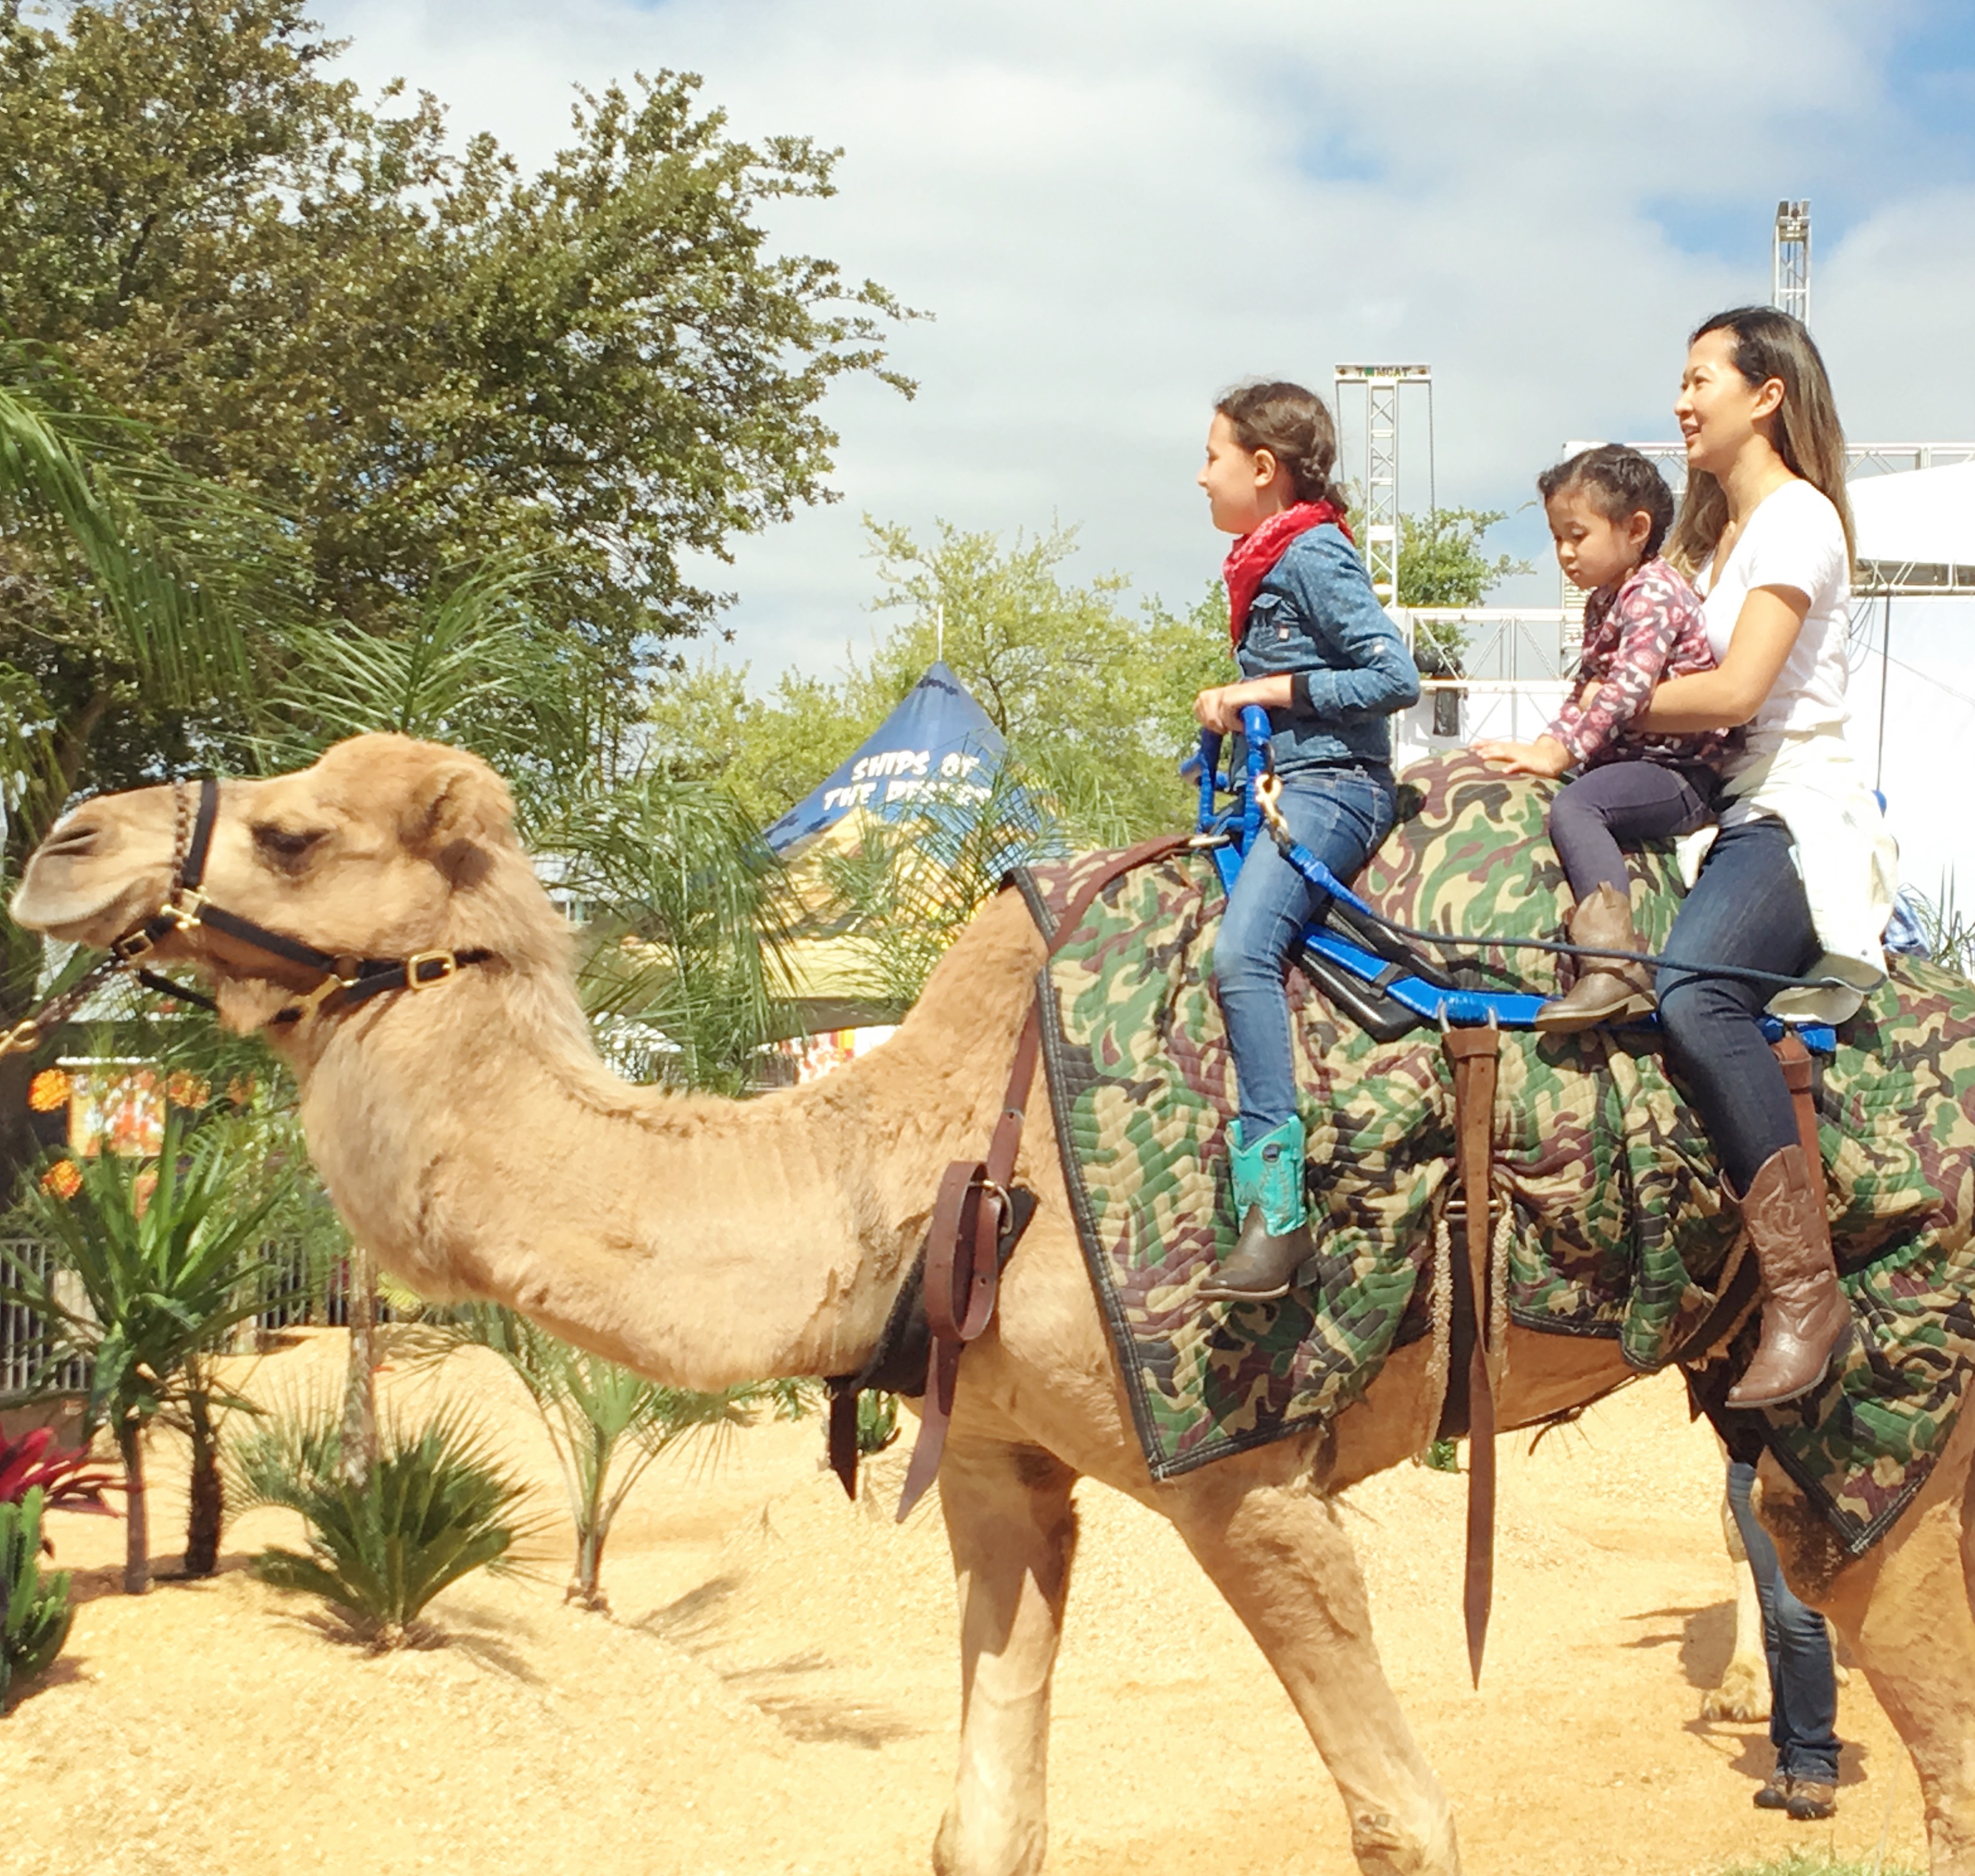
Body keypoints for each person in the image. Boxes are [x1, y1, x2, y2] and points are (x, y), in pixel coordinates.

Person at [1632, 307, 1896, 1409]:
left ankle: (1804, 1289)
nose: (1683, 401)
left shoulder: (1797, 521)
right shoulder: (1711, 544)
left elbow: (1738, 692)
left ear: (1767, 395)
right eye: (1681, 382)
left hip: (1795, 811)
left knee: (1695, 995)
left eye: (1701, 379)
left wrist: (1611, 704)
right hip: (1721, 809)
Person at [1190, 381, 1421, 1303]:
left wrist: (1265, 692)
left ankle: (1277, 1214)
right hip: (1283, 785)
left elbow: (1393, 673)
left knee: (1242, 951)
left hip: (1337, 787)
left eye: (1211, 457)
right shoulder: (1262, 559)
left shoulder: (1314, 551)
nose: (1198, 476)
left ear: (1261, 468)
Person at [1475, 444, 1738, 1030]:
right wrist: (1545, 745)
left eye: (1577, 535)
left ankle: (1612, 965)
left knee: (1578, 805)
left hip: (1681, 771)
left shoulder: (1652, 593)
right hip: (1641, 759)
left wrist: (1560, 753)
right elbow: (1585, 690)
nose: (1564, 553)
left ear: (1635, 529)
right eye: (1557, 538)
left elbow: (1624, 691)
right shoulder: (1606, 599)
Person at [1726, 1450, 1842, 1820]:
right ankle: (1789, 1759)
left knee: (1796, 1611)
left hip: (1809, 1468)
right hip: (1749, 1468)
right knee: (1774, 1617)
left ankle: (1815, 1761)